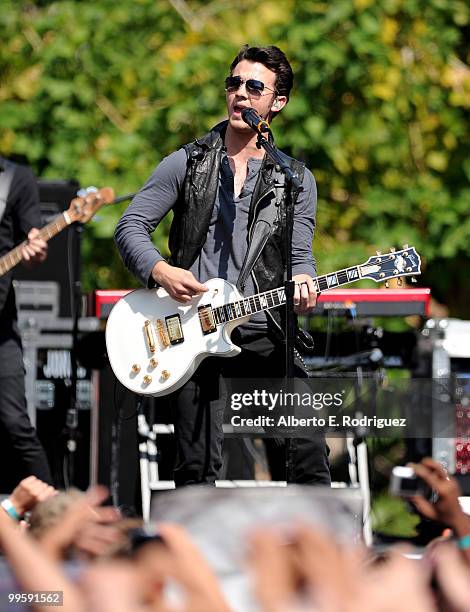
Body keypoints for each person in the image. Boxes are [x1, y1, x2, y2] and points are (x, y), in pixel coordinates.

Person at [115, 45, 330, 486]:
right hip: (193, 329)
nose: (241, 95)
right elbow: (131, 226)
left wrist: (306, 280)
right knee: (196, 469)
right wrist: (160, 270)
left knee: (306, 453)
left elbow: (299, 258)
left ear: (277, 102)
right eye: (234, 84)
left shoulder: (294, 179)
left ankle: (318, 552)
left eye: (255, 87)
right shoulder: (187, 162)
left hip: (263, 326)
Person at [0, 157, 53, 485]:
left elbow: (35, 244)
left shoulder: (14, 179)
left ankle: (55, 516)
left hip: (0, 327)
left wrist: (36, 249)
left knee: (15, 421)